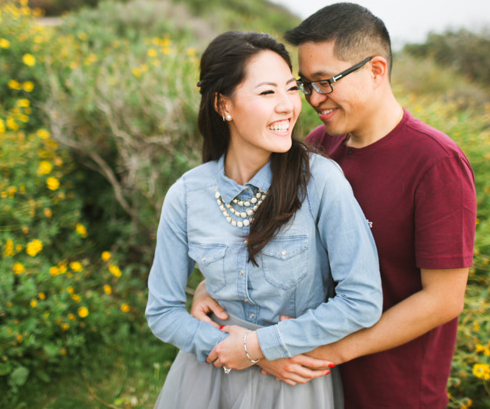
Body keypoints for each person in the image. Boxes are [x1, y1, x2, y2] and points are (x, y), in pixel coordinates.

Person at [192, 4, 477, 408]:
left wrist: (325, 352)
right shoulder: (320, 146)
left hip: (392, 390)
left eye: (325, 82)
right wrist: (215, 286)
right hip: (312, 385)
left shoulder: (435, 163)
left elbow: (444, 299)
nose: (312, 99)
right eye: (304, 84)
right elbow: (275, 244)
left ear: (376, 70)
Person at [146, 30, 383, 409]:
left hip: (292, 385)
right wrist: (231, 348)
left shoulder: (320, 181)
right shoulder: (187, 195)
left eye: (291, 89)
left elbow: (362, 301)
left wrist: (260, 347)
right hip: (208, 377)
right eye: (267, 92)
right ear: (224, 105)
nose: (288, 106)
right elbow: (163, 311)